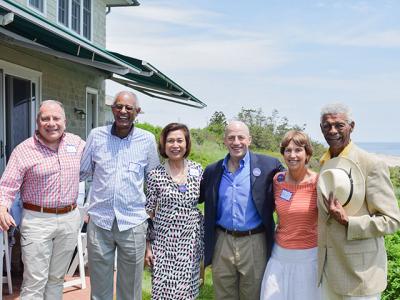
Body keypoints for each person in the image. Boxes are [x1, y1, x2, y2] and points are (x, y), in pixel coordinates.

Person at [0, 100, 84, 299]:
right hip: (37, 220)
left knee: (56, 279)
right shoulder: (24, 150)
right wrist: (2, 208)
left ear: (65, 121)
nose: (51, 123)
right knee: (35, 281)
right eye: (45, 118)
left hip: (69, 219)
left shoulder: (77, 143)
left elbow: (97, 164)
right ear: (38, 122)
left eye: (56, 118)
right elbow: (7, 185)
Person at [80, 91, 159, 300]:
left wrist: (150, 220)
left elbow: (153, 182)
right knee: (99, 289)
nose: (123, 111)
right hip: (100, 221)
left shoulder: (147, 140)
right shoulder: (97, 136)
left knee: (130, 289)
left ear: (137, 112)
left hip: (133, 222)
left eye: (129, 108)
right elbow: (82, 171)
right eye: (118, 106)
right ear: (112, 109)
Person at [318, 103, 400, 299]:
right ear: (321, 128)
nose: (333, 131)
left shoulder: (371, 164)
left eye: (339, 125)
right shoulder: (324, 162)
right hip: (327, 271)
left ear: (351, 126)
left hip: (360, 275)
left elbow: (392, 220)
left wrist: (349, 222)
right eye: (327, 125)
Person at [200, 120, 284, 300]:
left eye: (241, 137)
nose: (236, 142)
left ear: (249, 140)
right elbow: (195, 197)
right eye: (231, 137)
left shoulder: (269, 166)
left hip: (254, 241)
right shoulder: (213, 170)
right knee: (223, 294)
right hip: (222, 241)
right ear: (224, 141)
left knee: (253, 294)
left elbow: (292, 183)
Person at [144, 123, 203, 300]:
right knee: (164, 292)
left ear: (186, 144)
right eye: (170, 141)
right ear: (163, 144)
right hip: (164, 243)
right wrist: (148, 247)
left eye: (179, 140)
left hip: (190, 243)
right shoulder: (155, 175)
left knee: (188, 292)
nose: (175, 145)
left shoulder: (197, 170)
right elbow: (148, 212)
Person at [260, 130, 321, 300]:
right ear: (283, 154)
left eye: (298, 150)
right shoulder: (278, 180)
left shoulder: (318, 182)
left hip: (308, 258)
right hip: (279, 255)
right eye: (288, 150)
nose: (292, 155)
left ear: (307, 154)